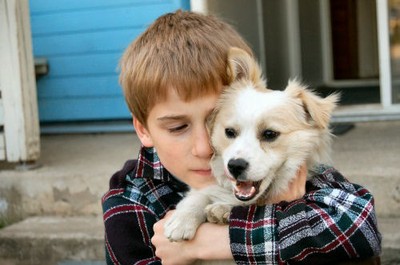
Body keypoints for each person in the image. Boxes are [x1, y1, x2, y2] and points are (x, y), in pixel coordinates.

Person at [102, 10, 381, 265]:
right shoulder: (132, 200)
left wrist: (216, 243)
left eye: (214, 121)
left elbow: (362, 229)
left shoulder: (303, 171)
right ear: (143, 130)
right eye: (177, 128)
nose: (204, 147)